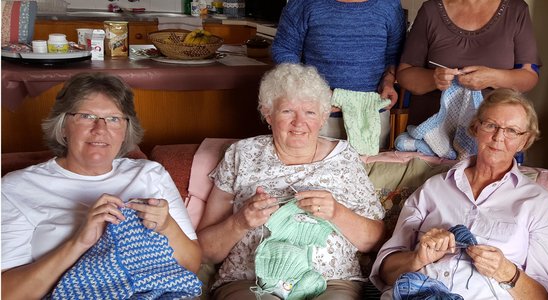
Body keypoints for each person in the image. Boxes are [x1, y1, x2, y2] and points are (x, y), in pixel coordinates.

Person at [1, 72, 200, 298]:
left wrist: (167, 226)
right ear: (63, 126)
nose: (100, 129)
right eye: (86, 116)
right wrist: (79, 242)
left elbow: (191, 265)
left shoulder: (150, 174)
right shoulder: (16, 188)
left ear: (125, 131)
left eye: (114, 119)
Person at [196, 64, 385, 300]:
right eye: (287, 111)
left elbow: (377, 240)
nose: (299, 122)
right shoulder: (241, 154)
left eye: (310, 112)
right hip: (250, 282)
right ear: (268, 114)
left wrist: (337, 213)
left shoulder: (346, 158)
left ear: (323, 117)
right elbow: (204, 250)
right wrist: (240, 222)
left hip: (331, 283)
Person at [371, 89, 548, 299]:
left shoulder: (538, 203)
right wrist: (418, 258)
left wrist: (507, 273)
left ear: (524, 141)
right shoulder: (434, 188)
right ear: (475, 128)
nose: (498, 137)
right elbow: (386, 271)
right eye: (490, 125)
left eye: (512, 131)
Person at [271, 0, 405, 149]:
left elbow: (395, 54)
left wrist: (388, 80)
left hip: (371, 115)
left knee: (368, 163)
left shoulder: (389, 5)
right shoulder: (303, 3)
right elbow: (284, 50)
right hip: (316, 114)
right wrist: (315, 89)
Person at [398, 0, 541, 125]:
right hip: (429, 131)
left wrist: (492, 78)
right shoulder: (430, 10)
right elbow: (404, 74)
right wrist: (434, 78)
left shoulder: (516, 10)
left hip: (494, 135)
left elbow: (529, 76)